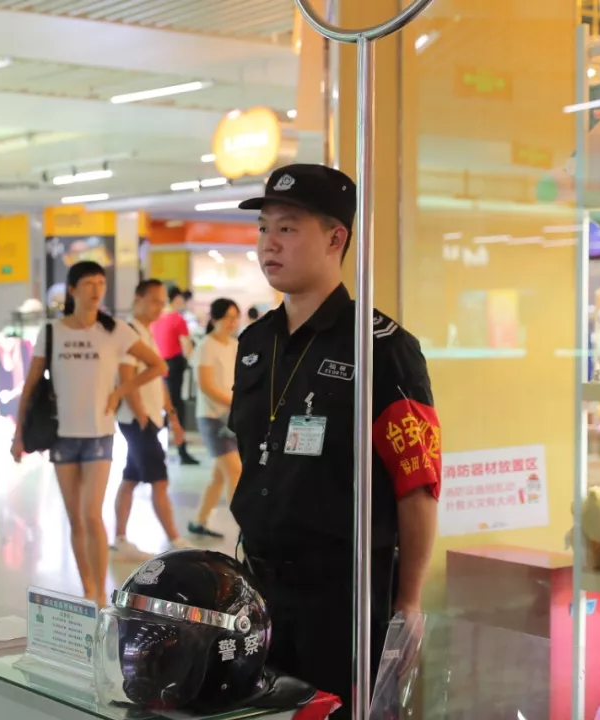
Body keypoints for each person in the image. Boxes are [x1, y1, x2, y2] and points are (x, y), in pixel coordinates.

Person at [227, 164, 441, 716]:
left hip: (344, 598)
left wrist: (409, 603)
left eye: (287, 228)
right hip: (259, 589)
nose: (268, 243)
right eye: (263, 228)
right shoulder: (256, 343)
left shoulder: (381, 348)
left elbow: (417, 484)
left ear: (335, 238)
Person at [11, 261, 166, 608]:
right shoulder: (52, 331)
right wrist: (18, 435)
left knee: (91, 513)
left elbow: (158, 365)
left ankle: (100, 592)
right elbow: (30, 385)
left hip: (99, 435)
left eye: (100, 282)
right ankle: (88, 590)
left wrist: (120, 391)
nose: (96, 289)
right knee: (76, 519)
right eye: (88, 283)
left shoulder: (116, 330)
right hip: (62, 436)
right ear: (72, 290)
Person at [111, 278, 193, 562]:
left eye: (162, 302)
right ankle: (175, 539)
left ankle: (120, 539)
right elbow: (126, 377)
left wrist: (172, 417)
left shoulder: (146, 332)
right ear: (138, 299)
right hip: (137, 420)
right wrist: (142, 416)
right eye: (154, 301)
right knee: (160, 480)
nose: (159, 307)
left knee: (131, 478)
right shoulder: (129, 332)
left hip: (148, 419)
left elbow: (158, 381)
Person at [189, 298, 242, 539]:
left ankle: (198, 521)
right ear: (215, 319)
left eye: (235, 317)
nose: (232, 322)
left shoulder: (235, 345)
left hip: (232, 417)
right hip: (212, 418)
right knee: (235, 472)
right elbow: (206, 385)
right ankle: (245, 529)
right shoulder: (206, 346)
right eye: (228, 317)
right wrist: (234, 402)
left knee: (219, 476)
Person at [151, 285, 199, 465]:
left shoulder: (156, 319)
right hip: (174, 368)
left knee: (163, 407)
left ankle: (158, 449)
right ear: (177, 298)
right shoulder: (178, 319)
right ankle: (181, 451)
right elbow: (187, 349)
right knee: (177, 408)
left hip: (158, 367)